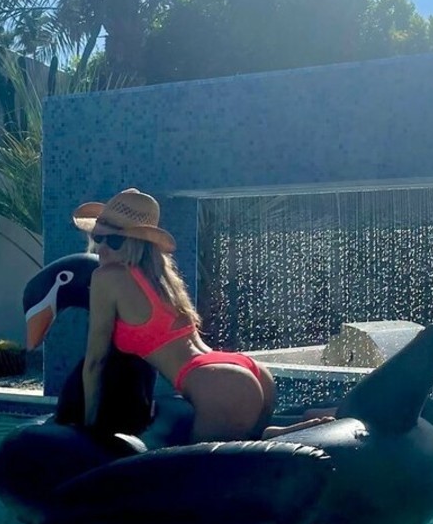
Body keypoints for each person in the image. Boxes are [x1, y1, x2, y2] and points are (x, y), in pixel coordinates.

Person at [74, 189, 327, 444]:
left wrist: (88, 426)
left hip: (215, 383)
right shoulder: (163, 278)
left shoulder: (107, 278)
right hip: (240, 370)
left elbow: (96, 360)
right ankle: (277, 432)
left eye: (114, 241)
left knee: (197, 469)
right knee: (248, 456)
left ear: (135, 242)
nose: (102, 248)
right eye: (98, 237)